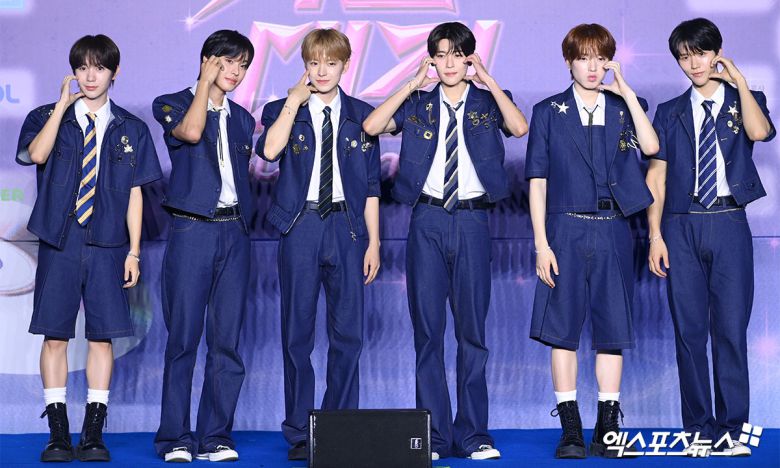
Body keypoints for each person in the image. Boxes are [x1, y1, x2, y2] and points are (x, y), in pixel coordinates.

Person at [363, 21, 527, 461]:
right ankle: (434, 436)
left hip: (473, 220)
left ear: (469, 58)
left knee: (472, 333)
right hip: (427, 219)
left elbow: (519, 127)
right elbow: (372, 125)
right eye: (441, 55)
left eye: (458, 54)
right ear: (431, 59)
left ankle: (473, 435)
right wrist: (411, 83)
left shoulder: (488, 100)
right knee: (428, 333)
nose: (449, 63)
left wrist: (488, 80)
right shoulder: (418, 103)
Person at [15, 34, 162, 462]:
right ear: (73, 72)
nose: (90, 76)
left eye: (99, 67)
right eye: (82, 67)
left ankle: (93, 434)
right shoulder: (47, 117)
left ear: (115, 72)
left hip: (109, 244)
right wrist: (62, 107)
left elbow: (135, 194)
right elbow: (36, 155)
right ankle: (58, 434)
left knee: (102, 337)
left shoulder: (131, 129)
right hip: (60, 240)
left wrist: (134, 252)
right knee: (55, 335)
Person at [525, 23, 658, 459]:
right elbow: (538, 181)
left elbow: (651, 147)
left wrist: (627, 92)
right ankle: (570, 430)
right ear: (569, 62)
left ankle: (608, 429)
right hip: (564, 228)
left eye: (601, 58)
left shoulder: (624, 107)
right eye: (584, 58)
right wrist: (542, 244)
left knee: (612, 332)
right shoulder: (548, 111)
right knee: (561, 332)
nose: (593, 67)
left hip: (614, 228)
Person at [646, 17, 775, 458]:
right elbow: (657, 178)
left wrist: (738, 80)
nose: (693, 63)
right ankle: (699, 430)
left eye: (700, 53)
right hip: (681, 225)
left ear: (716, 52)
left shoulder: (746, 100)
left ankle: (732, 430)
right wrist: (655, 235)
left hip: (729, 221)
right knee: (689, 333)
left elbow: (759, 133)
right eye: (684, 57)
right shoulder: (669, 112)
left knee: (730, 331)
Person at [255, 28, 381, 461]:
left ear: (345, 65)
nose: (322, 71)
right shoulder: (282, 109)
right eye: (314, 62)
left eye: (331, 62)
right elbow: (269, 152)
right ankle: (299, 432)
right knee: (297, 334)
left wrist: (374, 242)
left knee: (349, 335)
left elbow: (371, 187)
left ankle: (338, 426)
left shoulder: (362, 116)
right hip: (301, 225)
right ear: (305, 65)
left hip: (347, 227)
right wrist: (294, 101)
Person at [152, 30, 256, 463]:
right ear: (207, 60)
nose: (235, 72)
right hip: (192, 231)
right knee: (183, 339)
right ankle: (175, 437)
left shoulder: (244, 119)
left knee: (227, 342)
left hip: (235, 233)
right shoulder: (171, 103)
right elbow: (192, 132)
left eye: (242, 65)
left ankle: (216, 436)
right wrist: (203, 85)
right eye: (227, 62)